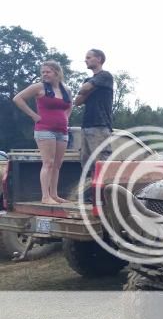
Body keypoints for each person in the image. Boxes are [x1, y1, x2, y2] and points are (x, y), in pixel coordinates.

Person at [12, 61, 72, 204]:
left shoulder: (66, 90)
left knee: (57, 164)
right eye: (43, 72)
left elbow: (70, 106)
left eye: (48, 72)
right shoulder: (38, 87)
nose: (44, 74)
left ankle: (54, 194)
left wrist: (66, 119)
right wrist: (33, 115)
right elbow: (18, 99)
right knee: (48, 162)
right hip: (45, 129)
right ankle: (45, 197)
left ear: (57, 73)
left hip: (62, 131)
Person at [74, 49, 114, 185]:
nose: (86, 60)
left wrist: (88, 89)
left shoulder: (106, 76)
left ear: (99, 59)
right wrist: (90, 88)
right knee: (87, 163)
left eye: (89, 57)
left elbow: (84, 89)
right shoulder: (89, 79)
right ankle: (90, 194)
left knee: (101, 161)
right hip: (86, 125)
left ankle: (105, 194)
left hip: (100, 125)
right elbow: (77, 101)